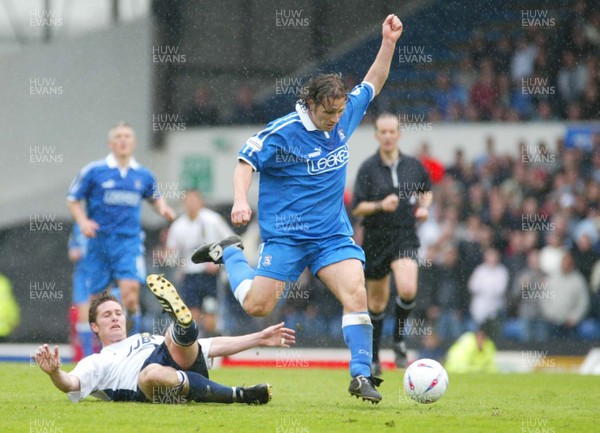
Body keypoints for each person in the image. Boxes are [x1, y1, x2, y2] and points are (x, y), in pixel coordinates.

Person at [191, 15, 404, 404]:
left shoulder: (342, 116)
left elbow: (374, 81)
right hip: (286, 237)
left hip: (330, 236)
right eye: (328, 115)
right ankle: (231, 253)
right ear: (309, 105)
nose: (335, 121)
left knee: (356, 292)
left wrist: (388, 41)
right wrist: (241, 200)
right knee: (258, 306)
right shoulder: (282, 131)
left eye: (339, 114)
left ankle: (360, 375)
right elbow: (245, 163)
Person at [33, 275, 295, 404]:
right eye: (106, 316)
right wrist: (55, 372)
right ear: (94, 327)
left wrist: (260, 337)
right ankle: (238, 395)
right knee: (150, 373)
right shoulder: (96, 361)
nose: (114, 318)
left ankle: (182, 324)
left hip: (176, 356)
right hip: (150, 385)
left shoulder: (146, 337)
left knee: (172, 338)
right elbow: (71, 384)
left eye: (117, 313)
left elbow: (212, 346)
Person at [67, 122, 176, 334]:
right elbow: (73, 199)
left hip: (129, 243)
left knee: (131, 292)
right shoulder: (94, 171)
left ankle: (132, 347)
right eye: (118, 136)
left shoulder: (142, 175)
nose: (123, 140)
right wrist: (83, 222)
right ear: (110, 143)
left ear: (134, 143)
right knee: (96, 301)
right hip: (99, 242)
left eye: (127, 136)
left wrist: (163, 209)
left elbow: (154, 197)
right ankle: (98, 353)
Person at [351, 112, 432, 375]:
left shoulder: (413, 165)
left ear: (399, 134)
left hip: (404, 234)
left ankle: (398, 339)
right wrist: (380, 205)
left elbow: (426, 191)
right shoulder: (367, 168)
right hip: (376, 238)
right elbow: (357, 208)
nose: (387, 136)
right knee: (376, 304)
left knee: (408, 289)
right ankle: (374, 357)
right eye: (382, 132)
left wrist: (424, 208)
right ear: (376, 135)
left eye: (391, 131)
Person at [167, 190, 233, 326]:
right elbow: (171, 255)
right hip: (190, 276)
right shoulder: (178, 226)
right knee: (191, 315)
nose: (191, 204)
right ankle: (196, 344)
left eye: (194, 200)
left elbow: (231, 242)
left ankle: (214, 340)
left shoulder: (213, 220)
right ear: (183, 203)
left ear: (200, 202)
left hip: (209, 276)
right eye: (188, 201)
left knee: (210, 316)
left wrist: (218, 262)